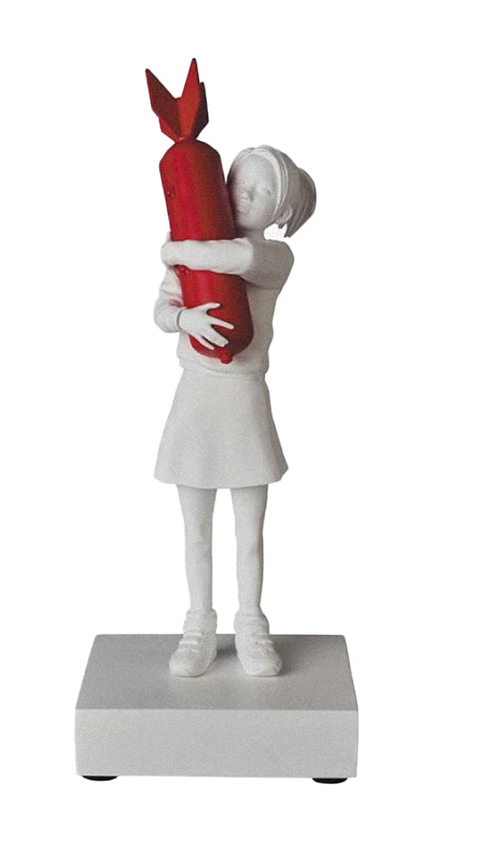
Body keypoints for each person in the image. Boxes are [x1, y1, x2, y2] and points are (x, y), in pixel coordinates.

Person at [154, 145, 316, 677]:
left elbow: (239, 260)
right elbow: (163, 308)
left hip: (244, 395)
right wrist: (185, 321)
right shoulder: (193, 247)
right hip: (197, 393)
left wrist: (175, 247)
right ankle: (199, 621)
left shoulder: (274, 258)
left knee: (250, 531)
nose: (245, 194)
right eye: (239, 181)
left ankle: (251, 621)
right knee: (195, 528)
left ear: (281, 209)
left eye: (262, 190)